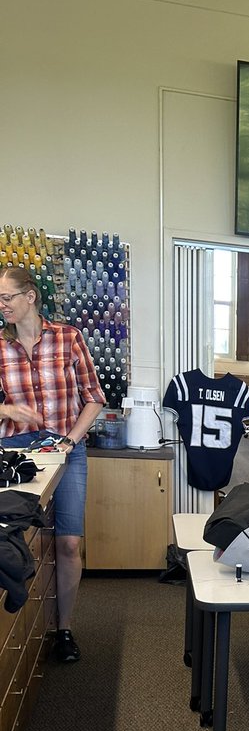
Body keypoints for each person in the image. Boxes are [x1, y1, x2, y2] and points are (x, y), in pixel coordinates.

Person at [0, 267, 105, 662]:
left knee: (69, 542)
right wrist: (8, 408)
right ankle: (17, 634)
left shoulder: (68, 337)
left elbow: (93, 396)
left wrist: (70, 440)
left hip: (65, 447)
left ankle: (64, 628)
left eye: (7, 297)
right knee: (16, 538)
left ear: (30, 296)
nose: (2, 305)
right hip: (17, 452)